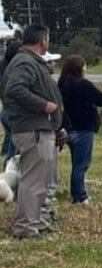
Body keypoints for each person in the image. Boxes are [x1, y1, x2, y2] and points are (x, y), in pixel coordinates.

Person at [1, 25, 66, 240]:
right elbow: (15, 89)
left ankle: (35, 222)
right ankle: (26, 228)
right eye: (48, 39)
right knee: (34, 180)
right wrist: (44, 105)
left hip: (38, 128)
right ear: (42, 40)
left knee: (39, 180)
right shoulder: (25, 61)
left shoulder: (29, 61)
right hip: (33, 128)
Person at [58, 55, 102, 207]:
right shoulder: (83, 85)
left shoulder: (61, 84)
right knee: (80, 165)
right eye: (84, 66)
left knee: (75, 163)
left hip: (66, 129)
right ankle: (79, 196)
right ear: (79, 68)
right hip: (83, 129)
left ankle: (75, 193)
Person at [0, 30, 20, 163]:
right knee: (14, 149)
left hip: (5, 108)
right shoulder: (15, 70)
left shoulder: (3, 66)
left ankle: (4, 152)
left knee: (10, 136)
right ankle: (8, 167)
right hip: (13, 110)